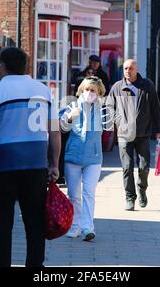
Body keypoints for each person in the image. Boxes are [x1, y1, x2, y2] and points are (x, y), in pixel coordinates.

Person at [0, 47, 61, 267]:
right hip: (36, 166)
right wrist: (54, 164)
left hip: (3, 167)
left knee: (1, 223)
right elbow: (54, 131)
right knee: (35, 223)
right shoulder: (44, 91)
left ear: (4, 65)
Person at [106, 59, 160, 211]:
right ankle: (130, 197)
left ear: (136, 69)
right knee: (127, 167)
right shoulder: (117, 87)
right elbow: (109, 106)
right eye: (125, 68)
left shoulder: (147, 86)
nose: (127, 71)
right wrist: (117, 123)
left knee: (144, 167)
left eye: (130, 68)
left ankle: (142, 189)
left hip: (143, 134)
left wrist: (159, 130)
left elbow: (156, 108)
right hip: (125, 134)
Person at [60, 77, 107, 241]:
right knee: (73, 194)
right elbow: (63, 128)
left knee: (88, 193)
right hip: (73, 156)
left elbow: (111, 125)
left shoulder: (103, 109)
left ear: (99, 93)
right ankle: (74, 226)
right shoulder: (72, 106)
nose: (89, 93)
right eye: (87, 89)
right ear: (81, 90)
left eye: (93, 90)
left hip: (93, 158)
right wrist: (70, 117)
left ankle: (88, 228)